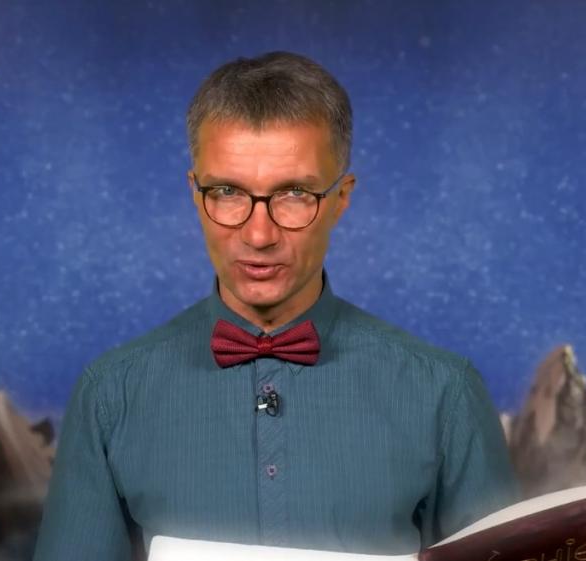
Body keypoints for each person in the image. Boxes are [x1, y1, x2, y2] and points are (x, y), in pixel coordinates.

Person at [33, 51, 517, 560]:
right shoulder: (109, 396)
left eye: (294, 194)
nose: (259, 235)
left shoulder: (447, 393)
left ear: (341, 197)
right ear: (196, 194)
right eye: (227, 192)